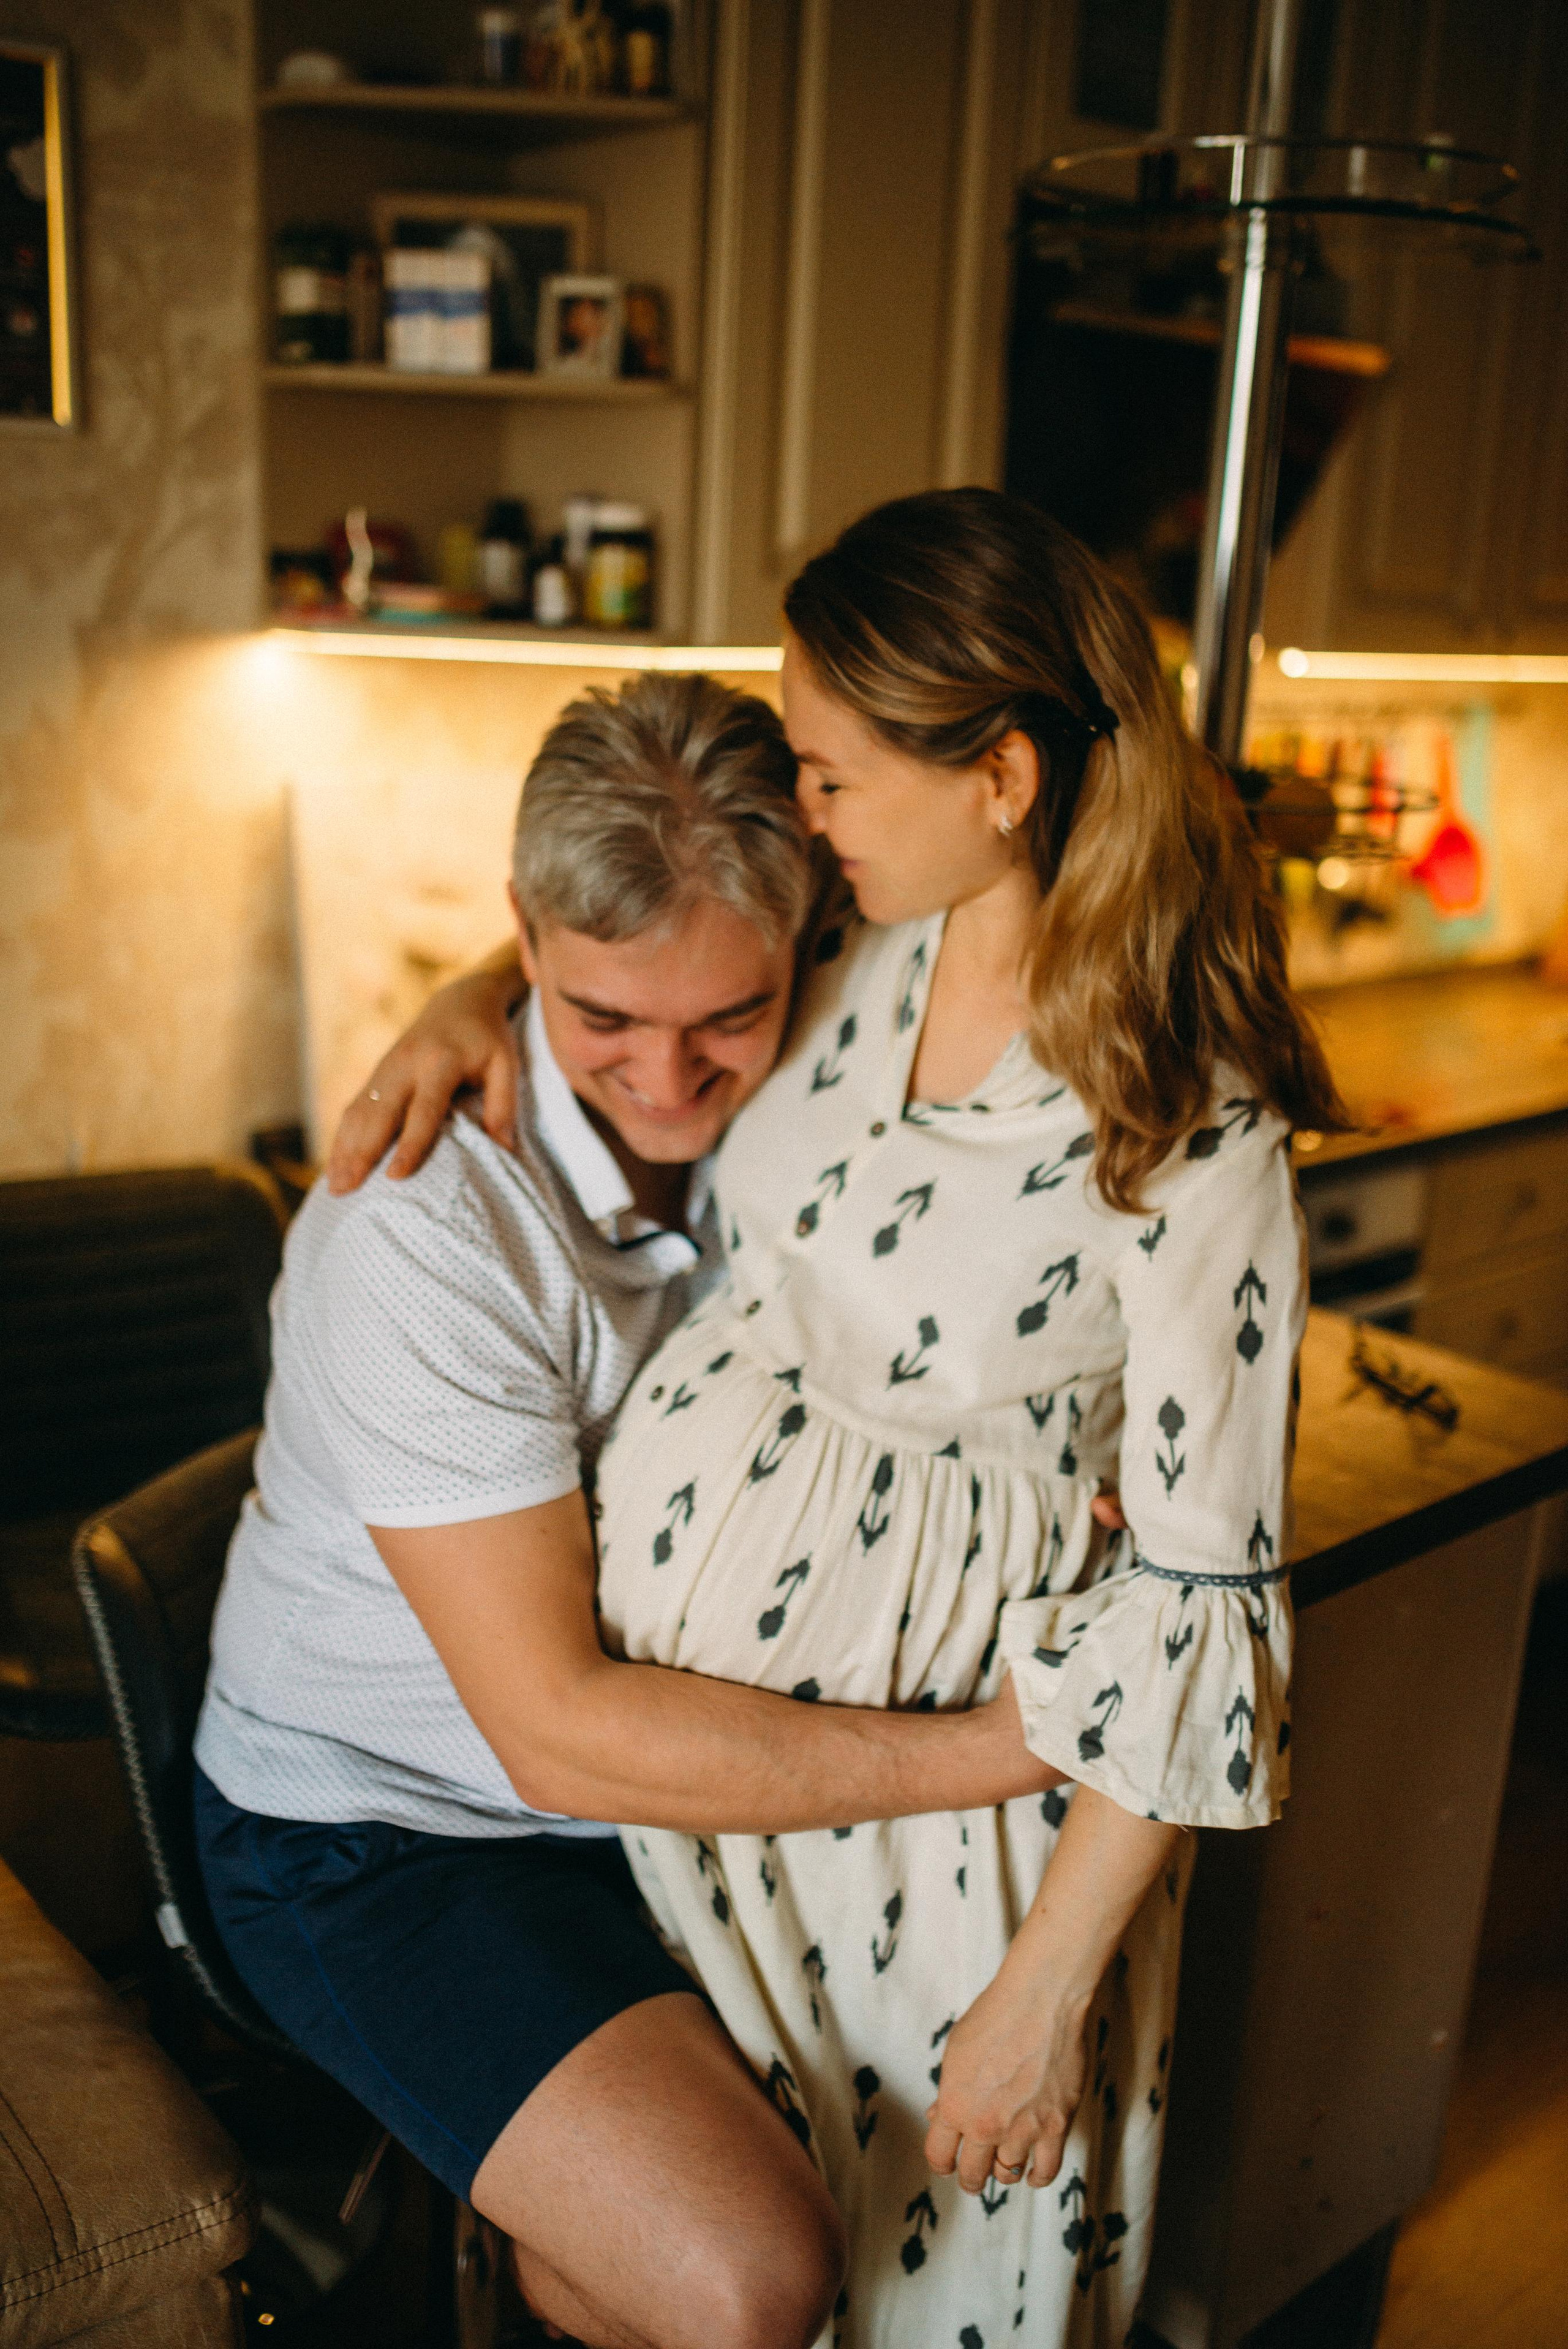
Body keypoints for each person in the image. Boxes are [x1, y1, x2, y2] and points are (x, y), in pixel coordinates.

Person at [342, 489, 1347, 2348]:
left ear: (1002, 777)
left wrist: (1043, 1996)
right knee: (691, 2260)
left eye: (827, 771)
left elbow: (1205, 1611)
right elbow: (640, 954)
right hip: (687, 1816)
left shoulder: (1179, 1110)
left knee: (903, 2270)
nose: (799, 808)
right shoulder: (853, 945)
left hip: (941, 1851)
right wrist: (463, 1001)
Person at [192, 671, 1066, 2349]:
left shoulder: (812, 1072)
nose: (669, 1083)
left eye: (724, 1018)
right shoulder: (420, 1238)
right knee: (748, 2272)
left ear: (813, 937)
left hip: (636, 1799)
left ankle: (510, 2244)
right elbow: (558, 1735)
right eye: (602, 1017)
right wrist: (998, 1745)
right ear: (524, 936)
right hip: (385, 1834)